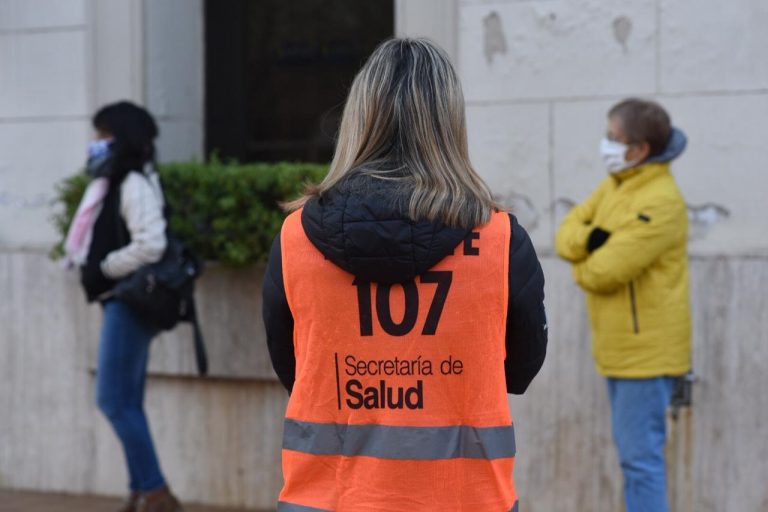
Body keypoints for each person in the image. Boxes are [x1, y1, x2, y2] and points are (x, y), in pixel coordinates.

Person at [262, 38, 547, 512]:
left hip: (328, 500)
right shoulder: (499, 240)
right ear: (449, 123)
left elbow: (296, 371)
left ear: (359, 117)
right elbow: (518, 371)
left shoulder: (296, 239)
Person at [555, 98, 691, 512]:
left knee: (640, 463)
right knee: (635, 461)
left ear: (640, 149)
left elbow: (604, 273)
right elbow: (565, 235)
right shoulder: (616, 185)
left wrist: (585, 258)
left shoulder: (661, 200)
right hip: (618, 351)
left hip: (645, 355)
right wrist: (591, 241)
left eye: (614, 138)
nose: (606, 145)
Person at [67, 101, 183, 512]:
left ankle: (156, 491)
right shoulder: (114, 181)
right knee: (126, 401)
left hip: (128, 301)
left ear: (121, 137)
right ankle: (140, 491)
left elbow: (153, 243)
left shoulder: (133, 182)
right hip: (120, 300)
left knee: (113, 400)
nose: (96, 143)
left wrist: (105, 267)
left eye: (103, 135)